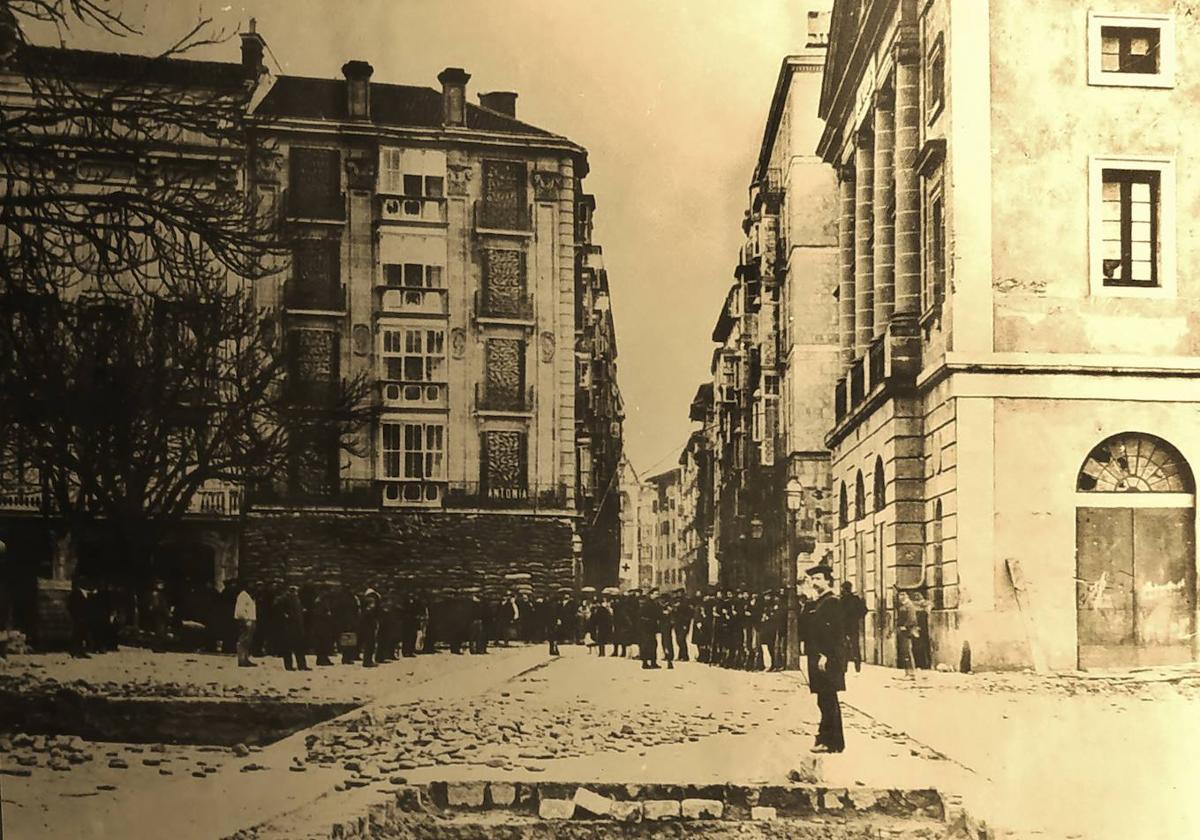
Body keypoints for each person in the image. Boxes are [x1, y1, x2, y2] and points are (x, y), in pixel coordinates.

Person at [803, 564, 846, 754]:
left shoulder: (832, 602)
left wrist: (825, 656)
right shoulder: (819, 601)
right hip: (818, 656)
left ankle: (830, 741)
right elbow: (807, 625)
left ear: (828, 581)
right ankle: (829, 740)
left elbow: (834, 633)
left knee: (828, 699)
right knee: (824, 699)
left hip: (827, 658)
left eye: (818, 578)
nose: (814, 582)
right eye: (812, 579)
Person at [276, 584, 308, 671]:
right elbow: (279, 608)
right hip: (289, 627)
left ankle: (301, 665)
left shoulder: (296, 599)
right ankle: (290, 666)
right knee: (288, 647)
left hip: (297, 626)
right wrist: (285, 615)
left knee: (299, 647)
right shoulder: (284, 598)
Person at [840, 581, 868, 674]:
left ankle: (844, 667)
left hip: (843, 626)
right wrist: (857, 617)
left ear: (843, 589)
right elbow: (864, 610)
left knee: (844, 646)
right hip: (853, 625)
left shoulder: (841, 600)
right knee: (855, 645)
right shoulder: (856, 599)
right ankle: (857, 665)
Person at [233, 581, 257, 667]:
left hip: (250, 620)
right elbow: (240, 610)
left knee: (247, 641)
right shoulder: (243, 596)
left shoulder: (248, 596)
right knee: (243, 640)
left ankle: (245, 658)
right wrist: (246, 620)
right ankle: (242, 659)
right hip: (245, 620)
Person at [896, 590, 919, 678]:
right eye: (900, 595)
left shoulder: (909, 606)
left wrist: (905, 626)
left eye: (902, 595)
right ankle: (907, 673)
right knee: (905, 652)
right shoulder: (904, 605)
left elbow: (912, 619)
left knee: (907, 652)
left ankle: (911, 673)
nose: (900, 597)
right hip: (903, 631)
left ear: (906, 596)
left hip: (907, 631)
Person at [67, 577, 91, 658]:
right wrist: (75, 615)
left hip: (84, 618)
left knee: (82, 635)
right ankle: (74, 652)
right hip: (78, 618)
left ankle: (81, 651)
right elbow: (70, 606)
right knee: (76, 635)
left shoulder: (86, 593)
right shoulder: (75, 593)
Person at [359, 588, 381, 667]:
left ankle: (367, 660)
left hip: (365, 623)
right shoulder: (371, 602)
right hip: (369, 624)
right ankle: (368, 661)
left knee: (369, 642)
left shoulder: (364, 601)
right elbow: (370, 612)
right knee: (370, 642)